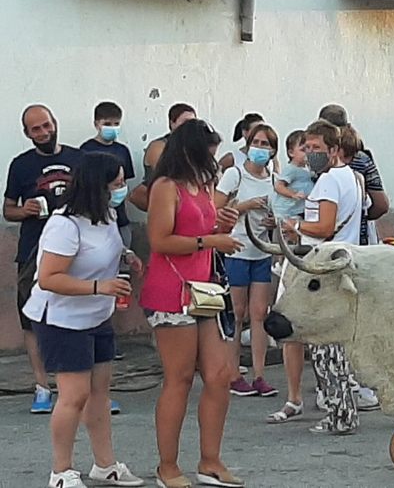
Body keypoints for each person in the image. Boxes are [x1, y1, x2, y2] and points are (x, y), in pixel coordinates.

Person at [22, 152, 145, 488]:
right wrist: (99, 286)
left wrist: (127, 255)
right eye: (117, 183)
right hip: (62, 318)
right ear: (98, 185)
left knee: (99, 394)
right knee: (73, 395)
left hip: (96, 315)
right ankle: (61, 471)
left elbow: (105, 247)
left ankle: (105, 464)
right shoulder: (65, 224)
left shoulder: (105, 214)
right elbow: (49, 277)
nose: (122, 188)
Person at [140, 119, 245, 488]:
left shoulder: (203, 187)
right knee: (180, 378)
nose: (215, 160)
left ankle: (210, 460)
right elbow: (160, 240)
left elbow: (205, 233)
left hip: (204, 289)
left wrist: (223, 228)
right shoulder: (166, 187)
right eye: (210, 152)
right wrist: (210, 242)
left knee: (219, 374)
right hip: (172, 291)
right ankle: (167, 466)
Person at [268, 120, 376, 432]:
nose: (311, 154)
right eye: (308, 148)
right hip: (340, 262)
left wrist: (295, 227)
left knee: (325, 348)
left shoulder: (329, 181)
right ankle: (342, 409)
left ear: (334, 149)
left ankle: (339, 414)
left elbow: (324, 227)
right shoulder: (353, 177)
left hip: (322, 267)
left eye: (317, 148)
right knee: (334, 345)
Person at [4, 104, 84, 414]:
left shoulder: (79, 159)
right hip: (32, 251)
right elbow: (8, 209)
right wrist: (22, 212)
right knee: (31, 319)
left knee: (79, 314)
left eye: (46, 125)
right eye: (35, 129)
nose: (43, 132)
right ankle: (42, 387)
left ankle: (82, 388)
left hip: (76, 249)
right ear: (27, 134)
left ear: (55, 123)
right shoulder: (20, 165)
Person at [214, 124, 280, 398]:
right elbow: (215, 209)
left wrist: (273, 221)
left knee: (259, 315)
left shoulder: (276, 180)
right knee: (237, 314)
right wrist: (244, 206)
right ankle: (232, 372)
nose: (261, 149)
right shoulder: (235, 174)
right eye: (257, 143)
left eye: (266, 145)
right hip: (237, 250)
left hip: (262, 251)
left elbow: (282, 212)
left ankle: (260, 374)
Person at [80, 102, 136, 249]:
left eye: (116, 123)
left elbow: (126, 184)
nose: (112, 127)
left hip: (120, 219)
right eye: (107, 123)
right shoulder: (86, 150)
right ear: (96, 124)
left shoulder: (122, 150)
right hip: (94, 220)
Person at [129, 103, 197, 212]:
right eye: (185, 122)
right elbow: (170, 173)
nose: (189, 127)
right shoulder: (159, 146)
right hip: (165, 204)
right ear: (172, 123)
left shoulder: (194, 147)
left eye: (193, 123)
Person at [338, 123, 389, 245]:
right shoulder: (363, 159)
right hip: (360, 241)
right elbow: (382, 205)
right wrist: (361, 218)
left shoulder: (321, 170)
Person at [272, 130, 312, 221]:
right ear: (291, 153)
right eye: (303, 150)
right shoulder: (291, 169)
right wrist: (293, 194)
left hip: (299, 209)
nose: (308, 152)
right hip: (288, 212)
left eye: (309, 149)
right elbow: (278, 186)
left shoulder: (307, 168)